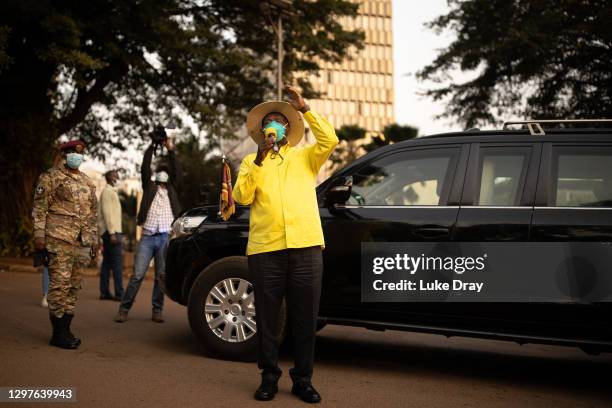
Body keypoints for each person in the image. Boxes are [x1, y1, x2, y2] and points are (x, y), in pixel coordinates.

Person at [233, 86, 338, 403]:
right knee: (267, 319)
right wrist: (261, 161)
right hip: (266, 250)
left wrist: (305, 108)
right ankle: (268, 377)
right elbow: (241, 197)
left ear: (288, 130)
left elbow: (330, 140)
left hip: (306, 247)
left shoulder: (306, 156)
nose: (274, 126)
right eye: (270, 122)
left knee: (305, 319)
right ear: (263, 131)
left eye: (280, 121)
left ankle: (303, 380)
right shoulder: (252, 162)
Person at [32, 140, 98, 349]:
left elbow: (92, 214)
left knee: (73, 286)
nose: (76, 157)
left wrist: (94, 239)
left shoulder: (87, 182)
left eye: (79, 153)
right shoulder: (51, 176)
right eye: (72, 153)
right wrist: (39, 237)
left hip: (81, 241)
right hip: (58, 239)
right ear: (64, 154)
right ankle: (58, 333)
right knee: (59, 285)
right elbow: (40, 208)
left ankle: (66, 329)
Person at [114, 137, 180, 323]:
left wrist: (170, 150)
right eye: (160, 172)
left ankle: (157, 310)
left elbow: (177, 171)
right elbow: (145, 167)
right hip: (148, 238)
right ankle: (123, 309)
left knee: (161, 276)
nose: (163, 175)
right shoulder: (149, 187)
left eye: (165, 173)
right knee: (137, 275)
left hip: (164, 238)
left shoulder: (172, 190)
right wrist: (153, 146)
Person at [98, 169, 124, 301]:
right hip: (112, 232)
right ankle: (120, 294)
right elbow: (107, 213)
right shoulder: (108, 192)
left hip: (110, 232)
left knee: (107, 264)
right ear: (110, 178)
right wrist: (112, 233)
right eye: (115, 175)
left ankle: (104, 292)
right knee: (117, 264)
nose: (117, 176)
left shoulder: (111, 191)